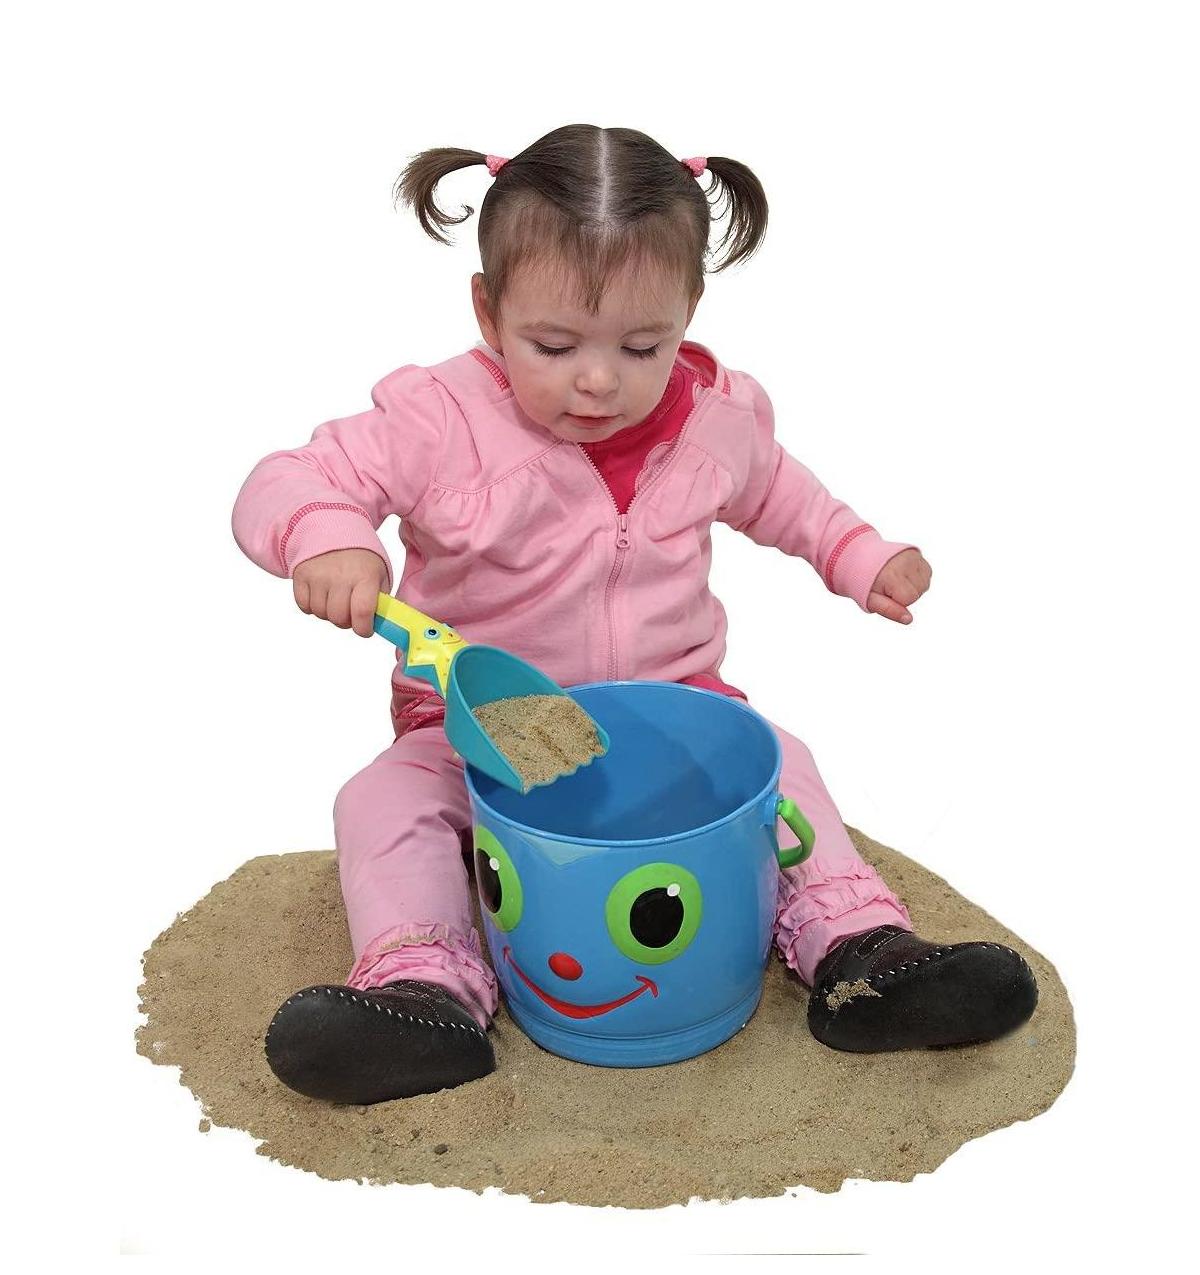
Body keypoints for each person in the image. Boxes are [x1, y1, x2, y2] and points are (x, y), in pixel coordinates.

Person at [233, 124, 1036, 1106]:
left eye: (642, 345)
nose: (599, 379)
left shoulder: (715, 419)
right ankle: (423, 989)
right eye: (553, 345)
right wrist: (326, 537)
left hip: (673, 704)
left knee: (784, 767)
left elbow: (784, 495)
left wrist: (859, 554)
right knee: (381, 802)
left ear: (687, 314)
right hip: (478, 723)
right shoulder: (437, 420)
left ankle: (861, 953)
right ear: (488, 311)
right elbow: (292, 476)